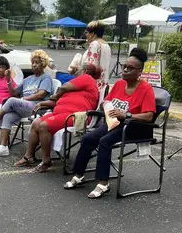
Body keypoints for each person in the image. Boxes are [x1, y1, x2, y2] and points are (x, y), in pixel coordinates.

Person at [64, 48, 156, 199]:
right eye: (124, 66)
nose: (125, 70)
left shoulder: (146, 89)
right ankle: (79, 174)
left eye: (130, 68)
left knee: (104, 141)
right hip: (113, 123)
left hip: (133, 126)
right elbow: (108, 100)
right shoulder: (119, 84)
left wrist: (126, 114)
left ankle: (103, 182)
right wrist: (105, 104)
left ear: (140, 72)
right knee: (88, 139)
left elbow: (148, 116)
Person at [15, 63, 100, 173]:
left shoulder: (86, 78)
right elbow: (59, 102)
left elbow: (63, 88)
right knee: (36, 122)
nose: (76, 72)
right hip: (61, 113)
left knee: (44, 126)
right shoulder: (77, 86)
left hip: (76, 115)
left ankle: (46, 161)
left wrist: (55, 95)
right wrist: (43, 103)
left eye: (78, 70)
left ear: (84, 71)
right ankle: (29, 156)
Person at [0, 49, 53, 157]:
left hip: (36, 107)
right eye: (33, 62)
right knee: (7, 115)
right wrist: (8, 80)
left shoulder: (46, 77)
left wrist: (24, 99)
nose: (34, 65)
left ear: (43, 64)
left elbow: (41, 94)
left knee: (11, 101)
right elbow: (13, 92)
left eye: (37, 63)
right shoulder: (28, 79)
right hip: (24, 107)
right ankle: (3, 147)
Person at [68, 21, 111, 91]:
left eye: (86, 33)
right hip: (103, 86)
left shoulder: (94, 44)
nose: (86, 35)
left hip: (93, 86)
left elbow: (90, 68)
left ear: (93, 33)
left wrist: (77, 69)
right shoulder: (106, 45)